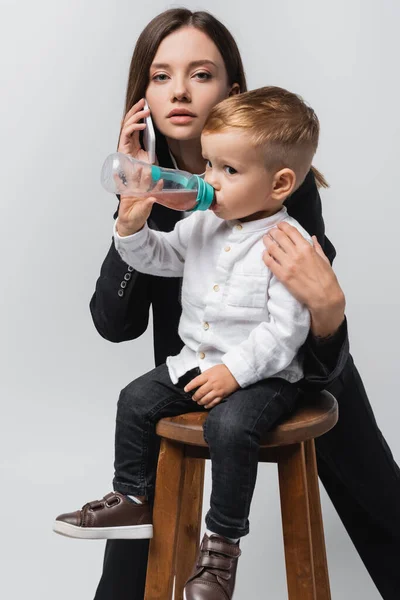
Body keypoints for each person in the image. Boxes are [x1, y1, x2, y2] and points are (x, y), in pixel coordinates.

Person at [84, 8, 399, 600]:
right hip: (194, 370)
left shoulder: (279, 180)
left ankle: (222, 545)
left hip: (295, 366)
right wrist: (132, 203)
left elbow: (303, 317)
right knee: (135, 536)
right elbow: (114, 323)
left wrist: (328, 311)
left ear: (231, 92)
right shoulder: (151, 186)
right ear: (142, 96)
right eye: (160, 76)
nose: (178, 90)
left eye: (200, 74)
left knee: (379, 501)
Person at [54, 86, 324, 599]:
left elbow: (286, 331)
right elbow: (159, 259)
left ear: (280, 182)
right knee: (135, 400)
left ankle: (221, 547)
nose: (209, 182)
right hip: (195, 362)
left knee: (231, 425)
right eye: (209, 166)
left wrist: (235, 373)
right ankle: (133, 498)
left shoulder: (289, 244)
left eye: (228, 171)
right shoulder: (202, 222)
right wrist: (131, 227)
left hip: (262, 375)